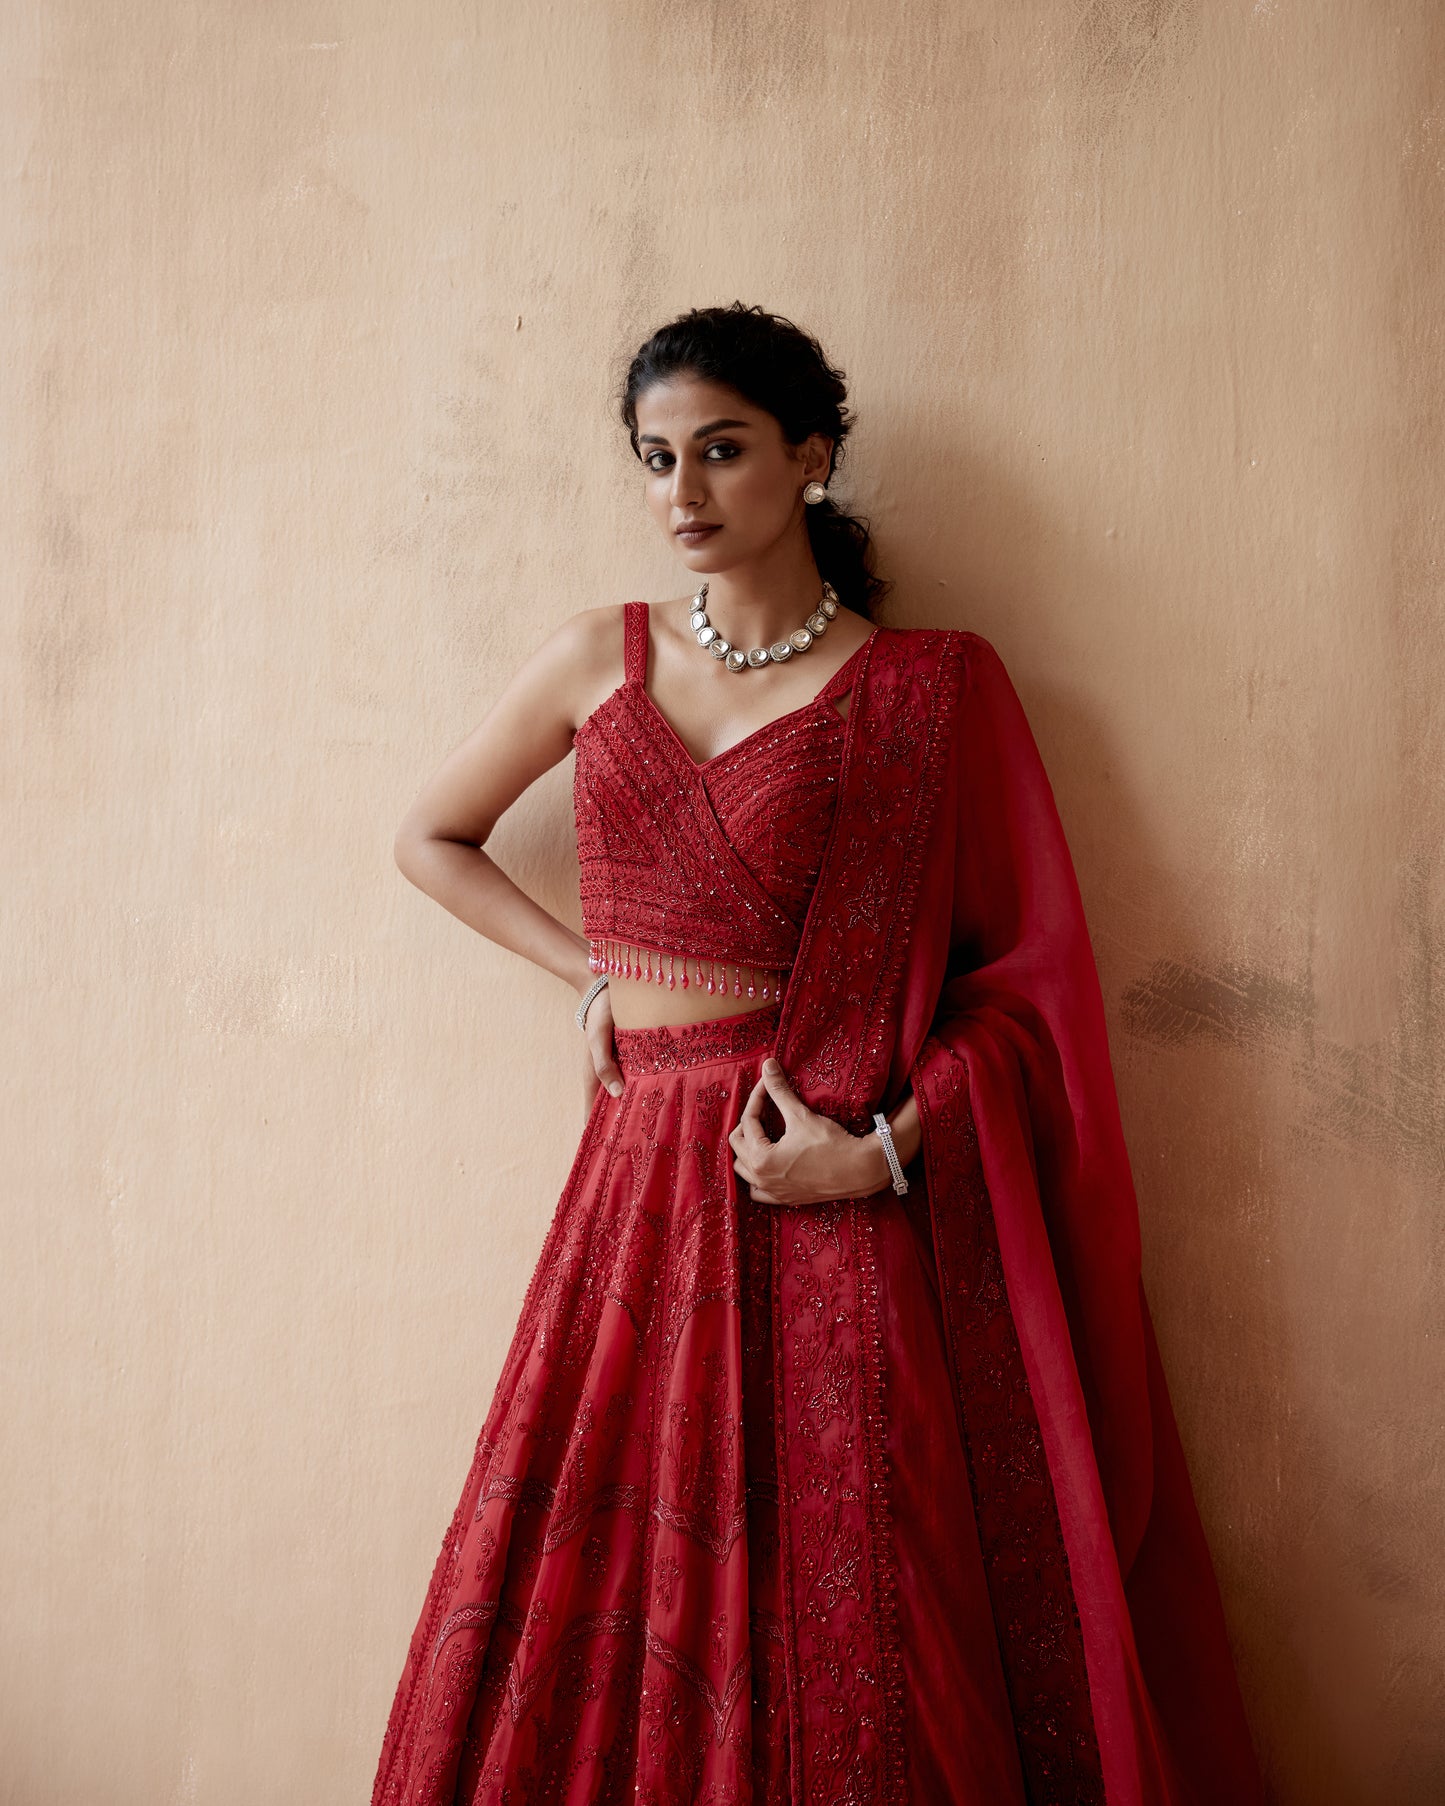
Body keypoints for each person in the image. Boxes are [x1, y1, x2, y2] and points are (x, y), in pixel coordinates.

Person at [370, 303, 1266, 1805]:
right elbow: (430, 837)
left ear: (811, 456)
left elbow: (1025, 995)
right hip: (641, 1186)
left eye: (721, 450)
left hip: (824, 1181)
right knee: (608, 1565)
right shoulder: (599, 657)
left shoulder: (926, 692)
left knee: (857, 1598)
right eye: (656, 457)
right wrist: (592, 977)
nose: (682, 492)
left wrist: (883, 1151)